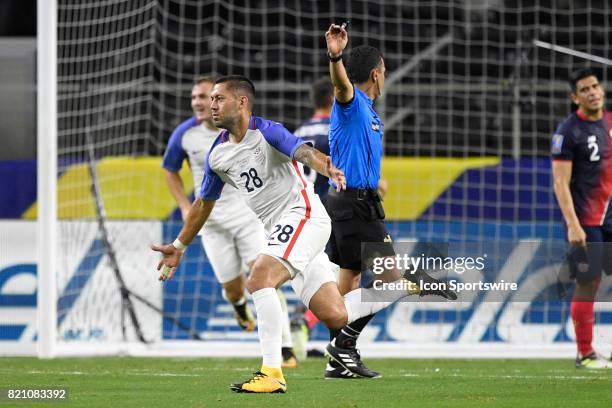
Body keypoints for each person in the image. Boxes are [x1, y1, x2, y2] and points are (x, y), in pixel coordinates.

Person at [152, 75, 419, 393]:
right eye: (210, 99)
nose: (211, 105)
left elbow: (301, 151)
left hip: (304, 217)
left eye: (218, 98)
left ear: (241, 102)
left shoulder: (266, 131)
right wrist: (180, 244)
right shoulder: (217, 154)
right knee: (336, 315)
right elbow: (203, 203)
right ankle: (400, 287)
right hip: (282, 229)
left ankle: (271, 372)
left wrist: (327, 167)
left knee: (259, 277)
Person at [323, 23, 455, 379]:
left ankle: (339, 360)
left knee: (348, 279)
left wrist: (372, 178)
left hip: (349, 202)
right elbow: (340, 86)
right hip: (353, 205)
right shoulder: (352, 102)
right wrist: (335, 55)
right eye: (385, 73)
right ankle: (343, 345)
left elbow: (353, 150)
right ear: (376, 74)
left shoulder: (368, 111)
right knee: (392, 280)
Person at [162, 76, 297, 368]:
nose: (201, 102)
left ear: (230, 101)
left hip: (248, 218)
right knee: (234, 289)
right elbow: (169, 169)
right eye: (197, 97)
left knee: (263, 278)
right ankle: (239, 308)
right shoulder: (184, 135)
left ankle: (285, 349)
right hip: (210, 223)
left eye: (209, 97)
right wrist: (185, 206)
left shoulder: (249, 131)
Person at [551, 68, 612, 369]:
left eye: (595, 86)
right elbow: (560, 182)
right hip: (585, 220)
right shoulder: (568, 132)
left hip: (610, 214)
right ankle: (585, 353)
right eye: (585, 89)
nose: (593, 92)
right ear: (575, 97)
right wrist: (573, 224)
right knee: (588, 282)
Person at [294, 77, 334, 205]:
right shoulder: (336, 131)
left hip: (302, 205)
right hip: (328, 206)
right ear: (333, 98)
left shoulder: (298, 132)